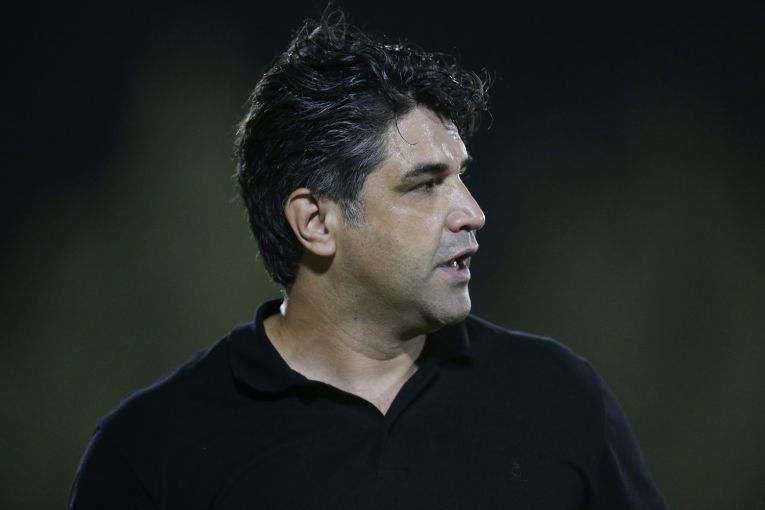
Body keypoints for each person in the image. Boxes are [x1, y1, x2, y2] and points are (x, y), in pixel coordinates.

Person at [69, 9, 667, 509]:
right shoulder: (151, 451)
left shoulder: (557, 396)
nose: (472, 213)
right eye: (424, 185)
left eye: (461, 178)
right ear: (316, 223)